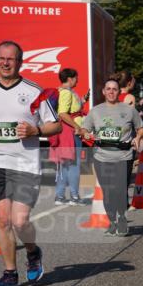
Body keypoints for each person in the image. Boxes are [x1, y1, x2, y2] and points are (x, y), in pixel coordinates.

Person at [0, 40, 62, 286]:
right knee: (3, 220)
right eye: (1, 58)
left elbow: (55, 125)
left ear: (20, 62)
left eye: (10, 59)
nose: (5, 63)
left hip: (25, 164)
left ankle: (33, 252)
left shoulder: (35, 92)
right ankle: (10, 273)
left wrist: (36, 129)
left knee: (20, 221)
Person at [80, 79, 143, 236]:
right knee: (108, 191)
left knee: (120, 189)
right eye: (108, 89)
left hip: (124, 155)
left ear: (119, 92)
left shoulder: (129, 110)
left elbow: (141, 127)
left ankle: (122, 218)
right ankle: (112, 221)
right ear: (103, 91)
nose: (111, 91)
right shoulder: (95, 111)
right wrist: (86, 133)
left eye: (114, 89)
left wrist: (138, 138)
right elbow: (84, 129)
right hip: (102, 156)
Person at [52, 68, 85, 205]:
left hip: (65, 133)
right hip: (70, 134)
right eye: (76, 77)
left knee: (64, 165)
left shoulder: (62, 91)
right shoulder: (66, 93)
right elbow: (63, 114)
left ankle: (60, 196)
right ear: (70, 79)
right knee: (73, 165)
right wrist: (77, 127)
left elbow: (71, 110)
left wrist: (83, 100)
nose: (77, 80)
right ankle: (74, 196)